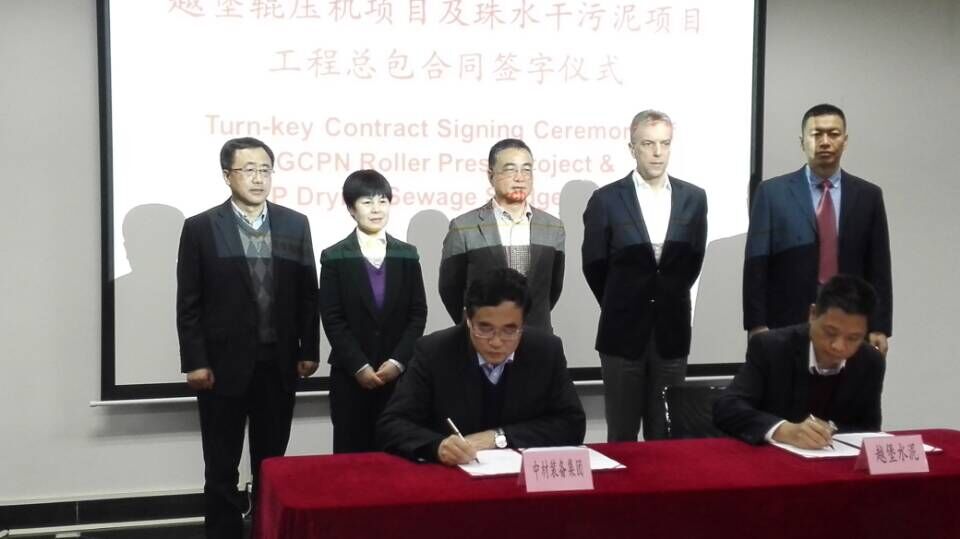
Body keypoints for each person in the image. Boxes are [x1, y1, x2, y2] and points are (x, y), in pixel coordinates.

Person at [176, 137, 319, 539]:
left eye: (265, 170)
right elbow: (189, 302)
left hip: (278, 364)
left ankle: (267, 531)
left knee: (271, 464)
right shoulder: (202, 227)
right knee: (221, 466)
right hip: (222, 367)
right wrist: (195, 361)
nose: (258, 178)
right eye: (248, 170)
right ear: (227, 176)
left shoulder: (294, 224)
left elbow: (308, 293)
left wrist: (309, 349)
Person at [581, 110, 708, 442]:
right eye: (648, 144)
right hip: (621, 333)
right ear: (632, 148)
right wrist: (623, 300)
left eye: (664, 143)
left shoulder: (694, 198)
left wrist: (664, 297)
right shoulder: (606, 199)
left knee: (666, 436)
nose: (657, 152)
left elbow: (692, 260)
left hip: (672, 331)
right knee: (622, 435)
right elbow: (594, 264)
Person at [377, 268, 585, 465]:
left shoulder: (546, 351)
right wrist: (436, 446)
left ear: (523, 323)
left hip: (520, 477)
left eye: (509, 330)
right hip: (454, 477)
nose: (496, 341)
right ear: (468, 319)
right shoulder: (434, 351)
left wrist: (498, 437)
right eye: (485, 329)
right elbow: (392, 424)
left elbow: (572, 424)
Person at [743, 103, 892, 357]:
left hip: (850, 322)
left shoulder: (868, 196)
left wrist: (879, 326)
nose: (825, 142)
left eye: (833, 134)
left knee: (846, 384)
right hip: (786, 321)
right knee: (788, 382)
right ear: (802, 142)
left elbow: (879, 267)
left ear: (845, 141)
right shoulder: (771, 193)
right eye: (816, 134)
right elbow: (756, 265)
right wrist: (757, 325)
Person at [319, 169, 427, 453]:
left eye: (382, 201)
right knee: (351, 458)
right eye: (367, 202)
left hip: (399, 378)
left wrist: (397, 362)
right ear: (351, 209)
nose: (376, 209)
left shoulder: (407, 254)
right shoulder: (334, 256)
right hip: (350, 377)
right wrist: (359, 366)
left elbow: (417, 314)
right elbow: (332, 318)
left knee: (398, 455)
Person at [714, 274, 885, 449]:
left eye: (853, 338)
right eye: (830, 332)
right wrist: (783, 430)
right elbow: (727, 407)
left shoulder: (871, 361)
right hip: (772, 458)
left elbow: (869, 429)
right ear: (812, 314)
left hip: (835, 459)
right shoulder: (770, 347)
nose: (838, 346)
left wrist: (828, 431)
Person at [439, 138, 565, 332]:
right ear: (491, 176)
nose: (520, 177)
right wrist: (475, 324)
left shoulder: (552, 227)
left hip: (538, 337)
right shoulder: (463, 228)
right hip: (485, 338)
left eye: (526, 169)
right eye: (510, 169)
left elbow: (553, 289)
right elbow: (450, 289)